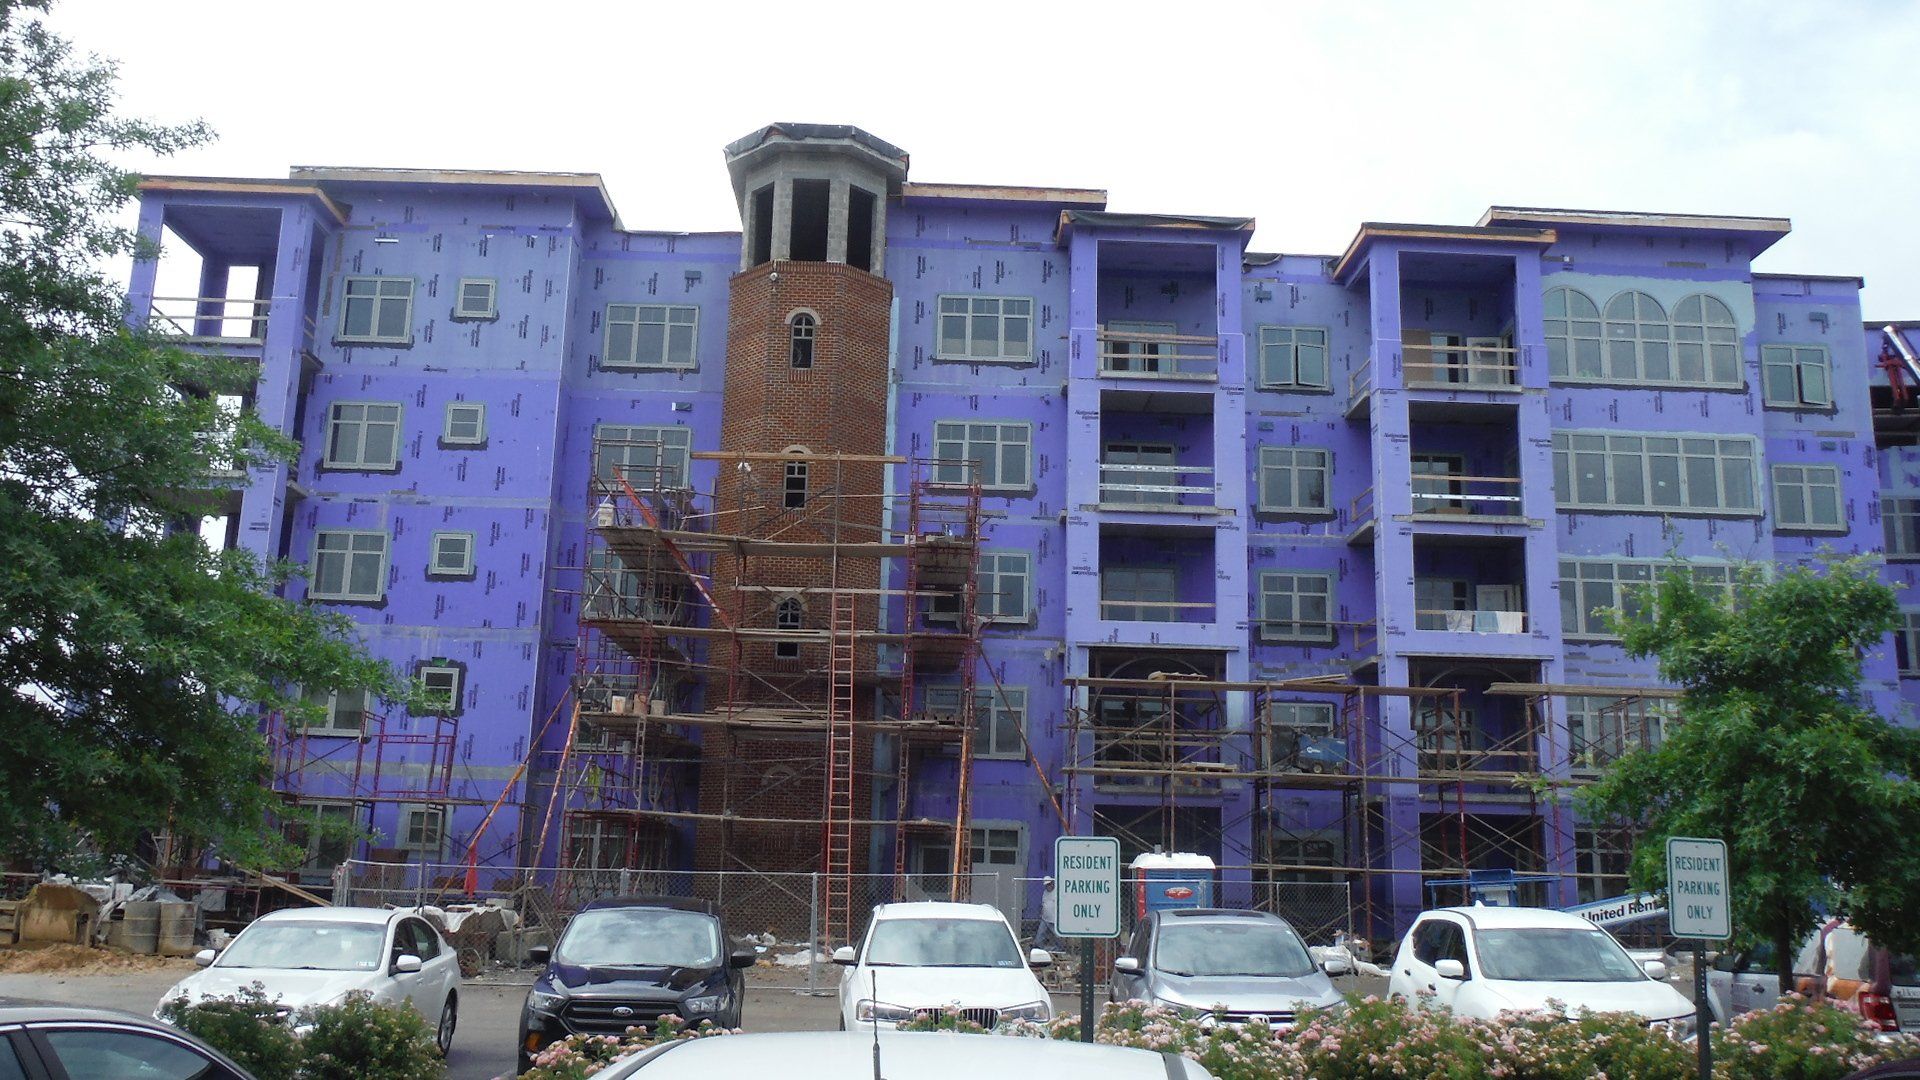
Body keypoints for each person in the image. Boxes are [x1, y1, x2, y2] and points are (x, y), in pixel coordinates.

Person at [1035, 876, 1062, 952]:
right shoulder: (1045, 893)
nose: (1048, 886)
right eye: (1046, 885)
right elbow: (1043, 904)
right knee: (1039, 937)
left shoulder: (1057, 892)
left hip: (1054, 920)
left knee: (1058, 937)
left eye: (1049, 884)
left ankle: (1058, 950)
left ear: (1052, 883)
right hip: (1045, 919)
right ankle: (1042, 950)